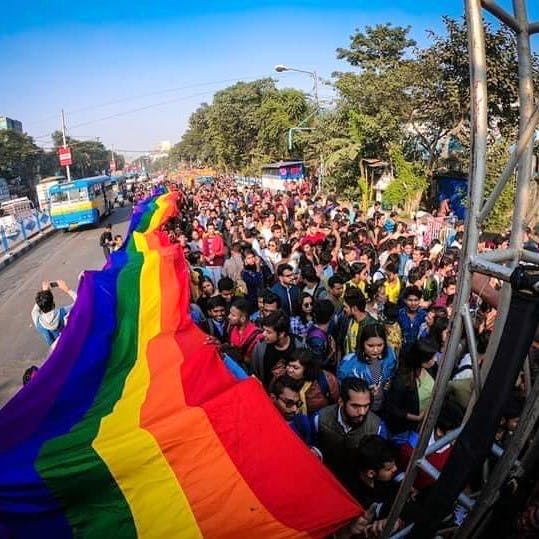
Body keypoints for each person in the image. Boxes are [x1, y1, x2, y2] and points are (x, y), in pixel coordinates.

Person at [314, 377, 387, 484]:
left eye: (366, 406)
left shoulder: (377, 427)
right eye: (355, 406)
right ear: (341, 401)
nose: (362, 412)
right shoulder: (320, 419)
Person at [385, 338, 439, 442]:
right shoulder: (402, 380)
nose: (435, 359)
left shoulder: (431, 368)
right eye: (431, 358)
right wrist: (416, 418)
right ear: (420, 359)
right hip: (406, 429)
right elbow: (392, 408)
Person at [338, 323, 397, 413]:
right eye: (370, 346)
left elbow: (391, 376)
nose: (375, 350)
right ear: (362, 344)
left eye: (380, 345)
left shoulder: (390, 356)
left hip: (383, 405)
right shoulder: (348, 365)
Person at [251, 310, 304, 388]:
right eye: (264, 330)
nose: (263, 334)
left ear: (281, 334)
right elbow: (254, 372)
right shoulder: (261, 346)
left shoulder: (299, 345)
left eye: (268, 332)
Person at [285, 348, 339, 414]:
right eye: (288, 365)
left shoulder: (327, 381)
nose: (290, 370)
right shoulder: (283, 377)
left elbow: (335, 402)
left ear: (307, 369)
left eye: (295, 368)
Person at [268, 375, 316, 446]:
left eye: (298, 403)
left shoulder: (303, 422)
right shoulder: (265, 426)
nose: (295, 409)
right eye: (289, 403)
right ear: (273, 398)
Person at [31, 280, 77, 346]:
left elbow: (35, 310)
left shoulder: (37, 321)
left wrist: (45, 293)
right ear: (53, 304)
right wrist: (67, 289)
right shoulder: (64, 312)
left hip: (56, 350)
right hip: (71, 344)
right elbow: (79, 301)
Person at [342, 288, 377, 356]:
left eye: (346, 307)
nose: (344, 309)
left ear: (354, 309)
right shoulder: (348, 320)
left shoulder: (372, 326)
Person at [228, 298, 262, 366]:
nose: (229, 316)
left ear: (243, 318)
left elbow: (254, 361)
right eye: (230, 313)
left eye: (233, 315)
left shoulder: (256, 335)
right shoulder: (231, 328)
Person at [398, 286, 427, 356]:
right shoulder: (399, 314)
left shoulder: (424, 316)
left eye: (416, 300)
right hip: (402, 354)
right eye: (410, 300)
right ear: (405, 300)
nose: (413, 303)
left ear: (419, 300)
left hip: (418, 354)